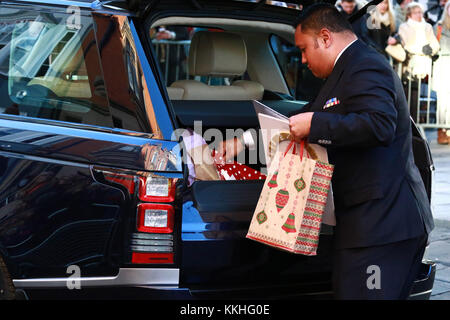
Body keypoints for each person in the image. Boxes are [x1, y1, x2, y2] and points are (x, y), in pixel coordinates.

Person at [219, 2, 434, 300]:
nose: (304, 60)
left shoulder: (365, 65)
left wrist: (317, 124)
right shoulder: (345, 69)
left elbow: (379, 125)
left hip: (383, 227)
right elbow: (298, 119)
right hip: (364, 225)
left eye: (304, 49)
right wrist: (242, 142)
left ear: (325, 37)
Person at [433, 0, 450, 143]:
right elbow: (432, 44)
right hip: (443, 64)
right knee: (442, 101)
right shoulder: (438, 27)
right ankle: (442, 130)